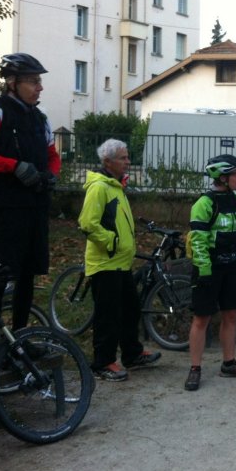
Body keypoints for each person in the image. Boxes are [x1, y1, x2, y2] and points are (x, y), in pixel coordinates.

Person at [0, 53, 60, 329]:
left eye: (39, 81)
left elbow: (53, 155)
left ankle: (19, 337)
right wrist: (13, 166)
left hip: (35, 208)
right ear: (12, 82)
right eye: (33, 81)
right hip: (6, 209)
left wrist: (51, 175)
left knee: (28, 276)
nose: (39, 87)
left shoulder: (40, 118)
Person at [78, 139, 161, 381]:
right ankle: (102, 362)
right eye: (123, 158)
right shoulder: (99, 188)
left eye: (127, 157)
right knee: (108, 315)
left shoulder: (115, 186)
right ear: (108, 161)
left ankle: (132, 354)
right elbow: (87, 224)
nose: (128, 162)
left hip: (120, 263)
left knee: (130, 309)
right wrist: (112, 242)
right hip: (105, 264)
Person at [184, 154, 236, 391]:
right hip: (209, 270)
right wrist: (204, 271)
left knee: (231, 316)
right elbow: (198, 241)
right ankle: (195, 368)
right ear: (223, 177)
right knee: (202, 318)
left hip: (232, 268)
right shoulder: (204, 204)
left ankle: (229, 363)